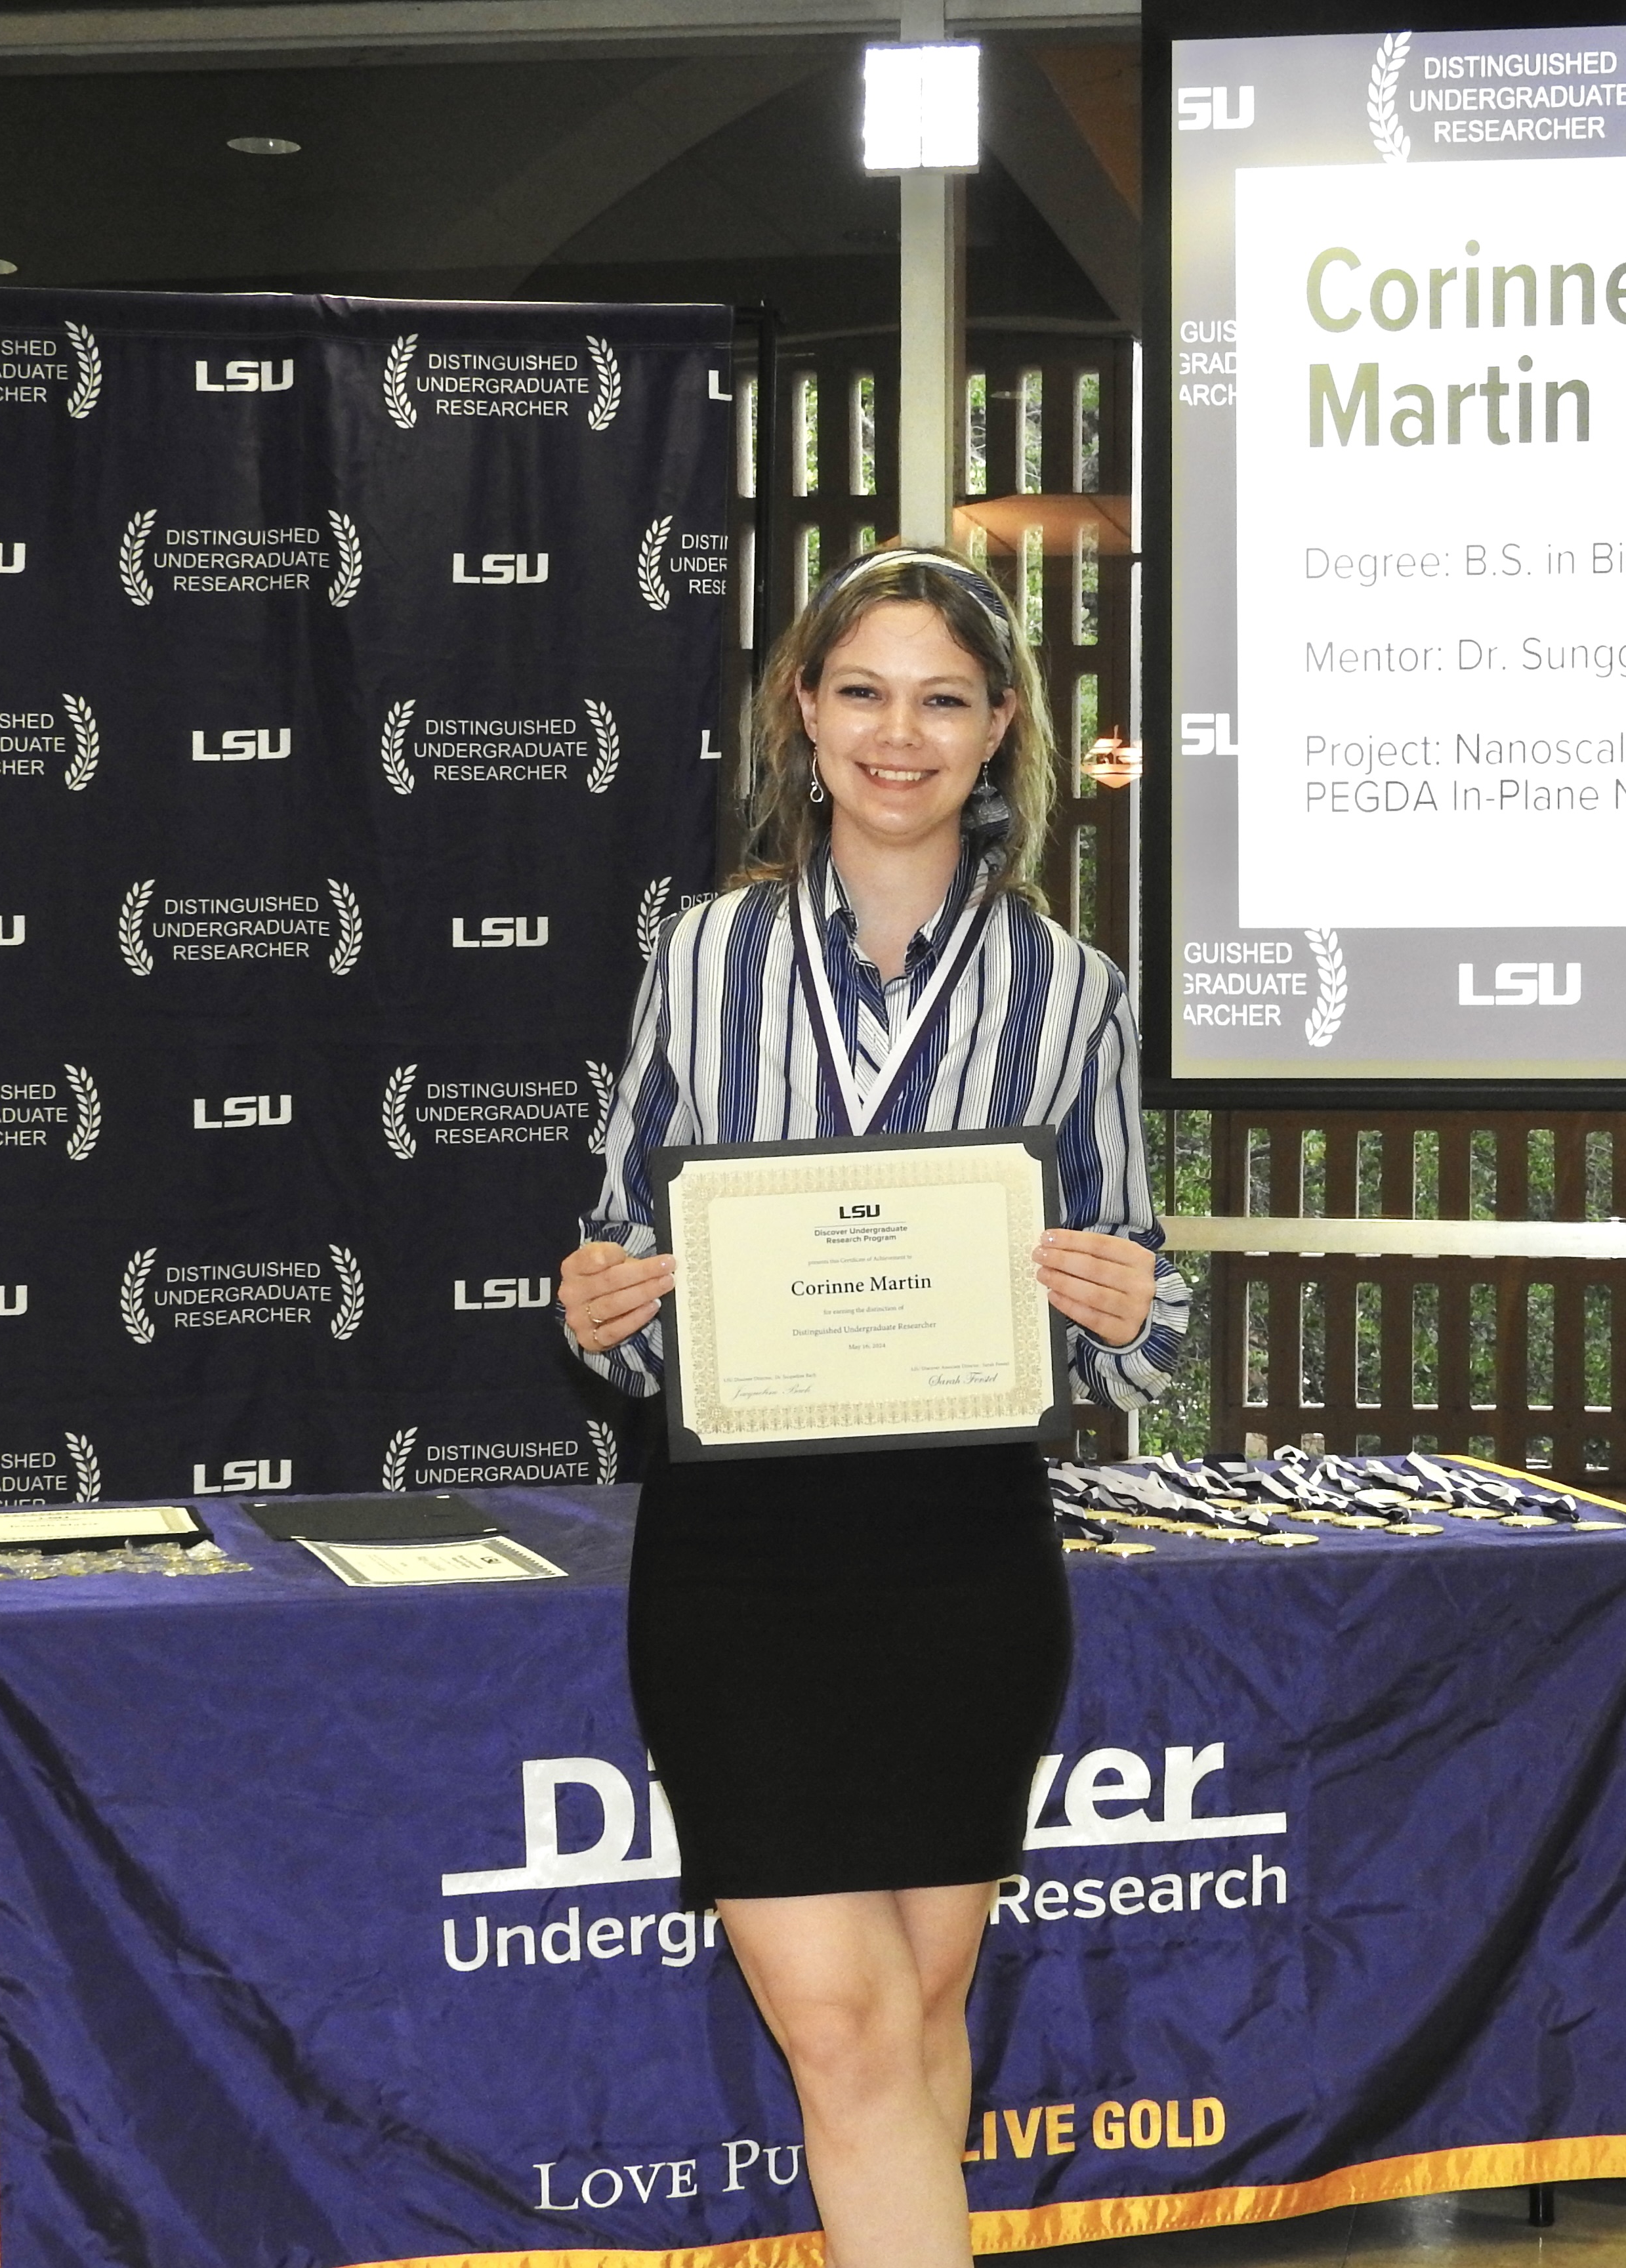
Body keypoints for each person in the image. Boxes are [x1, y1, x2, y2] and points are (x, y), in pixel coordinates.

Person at [558, 544, 1186, 2268]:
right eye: (861, 693)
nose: (897, 736)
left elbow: (1131, 1307)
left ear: (998, 735)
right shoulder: (701, 956)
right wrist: (600, 1304)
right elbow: (624, 1255)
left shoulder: (1076, 993)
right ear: (805, 715)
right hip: (743, 1556)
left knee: (913, 2013)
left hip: (961, 1553)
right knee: (837, 2022)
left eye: (942, 700)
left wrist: (1134, 1307)